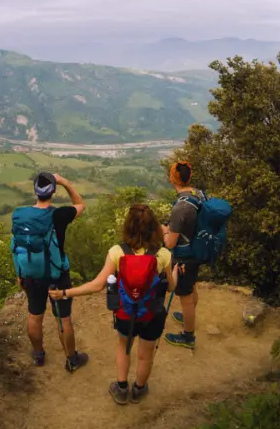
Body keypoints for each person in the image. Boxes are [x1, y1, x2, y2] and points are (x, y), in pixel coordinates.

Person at [50, 204, 179, 404]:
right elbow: (170, 287)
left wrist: (64, 293)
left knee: (124, 347)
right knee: (146, 355)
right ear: (154, 227)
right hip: (152, 313)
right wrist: (176, 273)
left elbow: (97, 285)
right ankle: (138, 390)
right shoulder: (163, 254)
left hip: (125, 313)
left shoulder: (118, 252)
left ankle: (121, 389)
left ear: (127, 226)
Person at [12, 171, 89, 373]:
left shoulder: (19, 215)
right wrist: (64, 181)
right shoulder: (59, 215)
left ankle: (38, 355)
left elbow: (17, 246)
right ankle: (72, 359)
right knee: (63, 319)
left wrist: (20, 273)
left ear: (35, 191)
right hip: (57, 275)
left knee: (34, 315)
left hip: (30, 274)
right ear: (53, 191)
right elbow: (81, 205)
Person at [162, 161, 200, 350]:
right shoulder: (199, 194)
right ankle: (189, 316)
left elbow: (169, 243)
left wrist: (163, 231)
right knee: (191, 285)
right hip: (198, 249)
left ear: (172, 179)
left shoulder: (180, 208)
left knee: (184, 295)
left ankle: (188, 336)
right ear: (189, 177)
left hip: (185, 256)